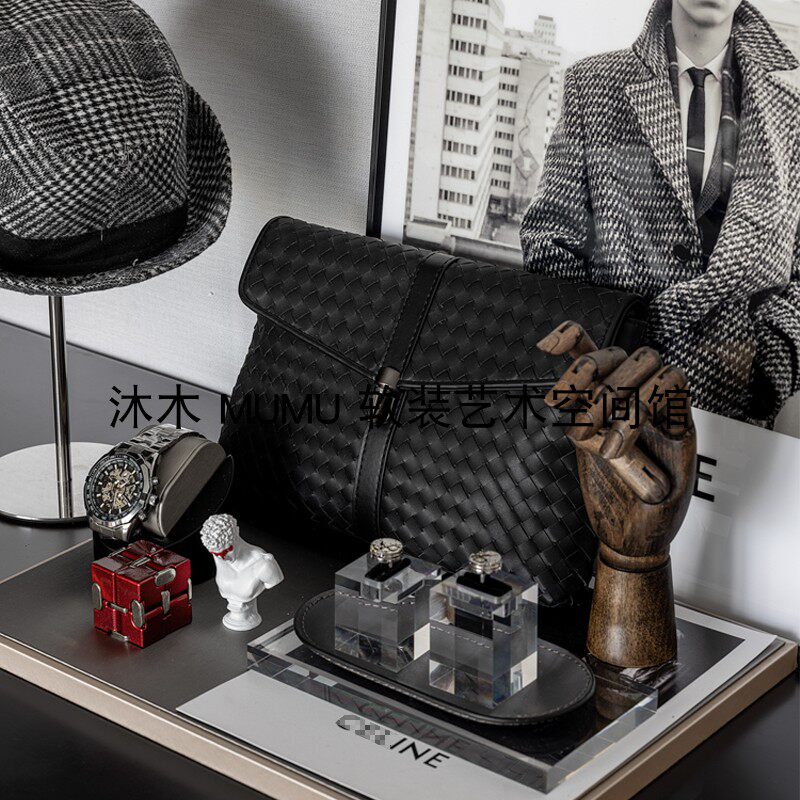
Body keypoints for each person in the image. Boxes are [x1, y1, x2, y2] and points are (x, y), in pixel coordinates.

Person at [520, 0, 800, 426]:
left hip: (734, 411)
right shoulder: (593, 86)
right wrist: (606, 346)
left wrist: (771, 367)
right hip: (609, 402)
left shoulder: (791, 118)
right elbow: (550, 239)